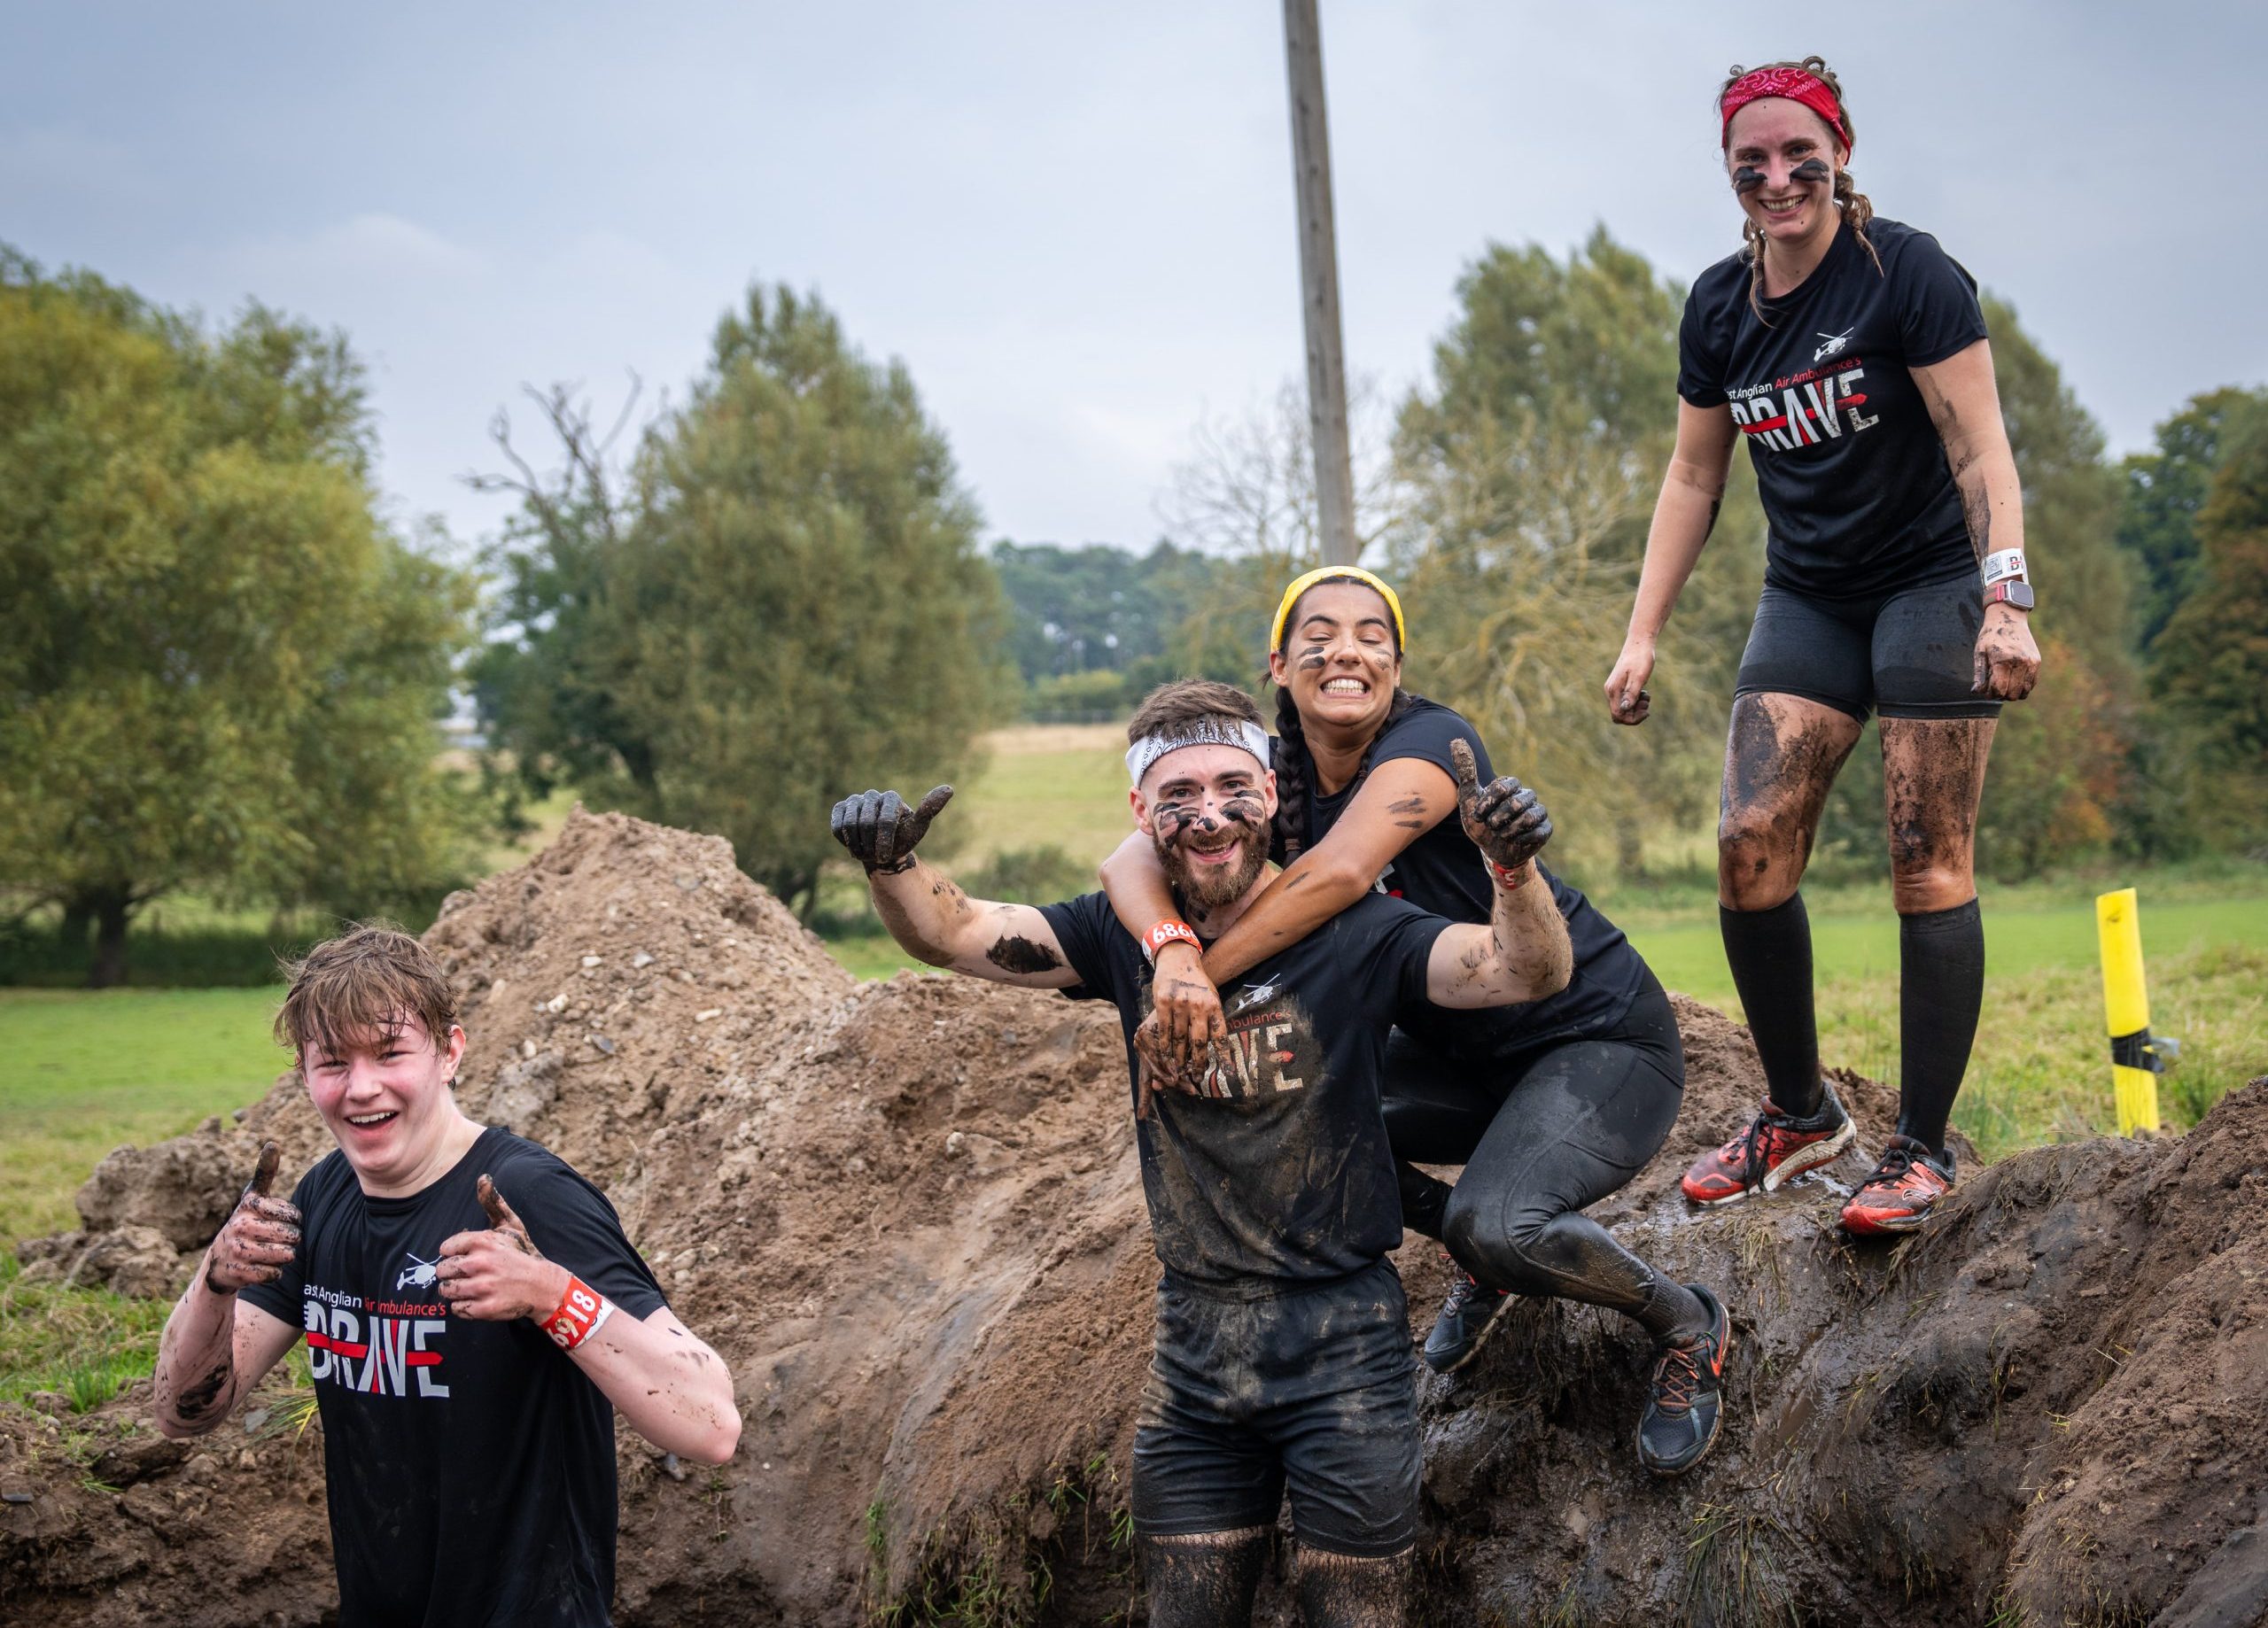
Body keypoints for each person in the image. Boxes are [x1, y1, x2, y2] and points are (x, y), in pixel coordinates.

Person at [831, 678, 1604, 1626]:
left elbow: (1524, 970)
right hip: (1194, 1355)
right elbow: (954, 932)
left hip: (1345, 1349)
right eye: (1178, 793)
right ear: (1140, 812)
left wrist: (1513, 873)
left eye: (1231, 786)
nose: (1208, 814)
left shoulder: (1357, 931)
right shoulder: (1117, 937)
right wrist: (894, 861)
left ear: (1273, 793)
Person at [1104, 567, 1728, 1479]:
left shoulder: (1431, 743)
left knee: (1501, 1220)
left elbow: (1341, 876)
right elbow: (1131, 853)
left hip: (1592, 1036)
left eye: (1371, 635)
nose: (1344, 649)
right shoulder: (1272, 777)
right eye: (1317, 632)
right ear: (1280, 663)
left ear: (1397, 664)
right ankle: (1486, 1264)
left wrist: (1199, 977)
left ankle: (1685, 1323)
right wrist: (1166, 949)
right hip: (1460, 1051)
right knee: (1303, 1133)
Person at [1604, 58, 2040, 1234]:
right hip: (1808, 593)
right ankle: (1800, 1116)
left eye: (1801, 154)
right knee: (1749, 841)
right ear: (1732, 177)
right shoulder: (1717, 306)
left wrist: (2009, 599)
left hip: (1933, 586)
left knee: (1923, 854)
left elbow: (1982, 450)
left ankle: (1924, 1150)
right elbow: (1696, 473)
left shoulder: (1908, 273)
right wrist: (1642, 634)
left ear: (1839, 150)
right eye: (1753, 163)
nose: (1778, 177)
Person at [152, 924, 741, 1627]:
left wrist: (552, 1295)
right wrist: (215, 1282)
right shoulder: (321, 1199)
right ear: (305, 1075)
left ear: (449, 1052)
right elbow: (183, 1412)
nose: (361, 1087)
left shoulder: (531, 1196)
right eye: (332, 1062)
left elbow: (711, 1425)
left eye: (390, 1053)